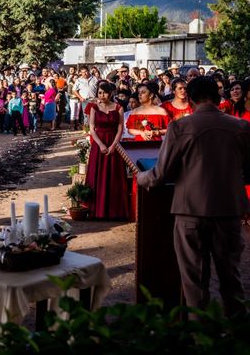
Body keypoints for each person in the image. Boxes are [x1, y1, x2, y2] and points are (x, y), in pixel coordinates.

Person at [137, 76, 249, 317]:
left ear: (190, 98)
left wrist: (139, 177)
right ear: (219, 97)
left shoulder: (180, 127)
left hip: (190, 211)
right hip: (229, 210)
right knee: (232, 278)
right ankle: (238, 335)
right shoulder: (241, 127)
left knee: (195, 282)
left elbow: (160, 174)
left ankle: (201, 337)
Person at [86, 82, 129, 219]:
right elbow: (92, 128)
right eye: (99, 93)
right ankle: (96, 210)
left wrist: (113, 146)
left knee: (114, 176)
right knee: (96, 175)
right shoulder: (94, 107)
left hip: (114, 143)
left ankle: (115, 211)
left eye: (104, 93)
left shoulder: (118, 107)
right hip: (99, 144)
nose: (101, 95)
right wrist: (100, 145)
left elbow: (120, 128)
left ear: (110, 93)